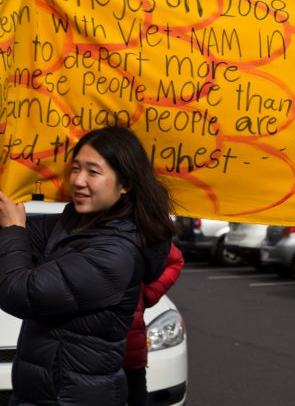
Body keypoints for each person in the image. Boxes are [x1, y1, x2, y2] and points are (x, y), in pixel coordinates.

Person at [0, 126, 175, 405]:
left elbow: (20, 293)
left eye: (93, 172)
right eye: (75, 168)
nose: (78, 181)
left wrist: (12, 229)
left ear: (125, 184)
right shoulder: (72, 224)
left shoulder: (115, 253)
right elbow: (20, 240)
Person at [124, 243, 184, 406]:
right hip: (84, 357)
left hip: (129, 354)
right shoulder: (64, 228)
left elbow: (175, 260)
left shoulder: (137, 228)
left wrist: (146, 296)